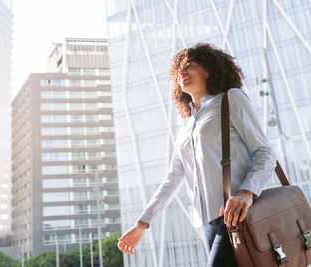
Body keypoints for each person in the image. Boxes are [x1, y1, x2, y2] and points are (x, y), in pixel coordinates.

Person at [117, 42, 277, 266]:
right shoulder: (187, 126)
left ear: (209, 70)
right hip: (206, 222)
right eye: (178, 70)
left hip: (236, 214)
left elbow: (265, 153)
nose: (181, 72)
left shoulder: (231, 99)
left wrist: (246, 193)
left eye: (189, 66)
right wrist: (142, 223)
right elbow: (172, 179)